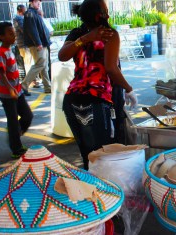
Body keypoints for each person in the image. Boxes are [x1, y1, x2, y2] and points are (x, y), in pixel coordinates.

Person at [58, 0, 138, 170]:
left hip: (72, 100)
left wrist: (85, 39)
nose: (108, 14)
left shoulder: (78, 34)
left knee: (88, 156)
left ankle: (90, 191)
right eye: (106, 11)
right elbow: (111, 68)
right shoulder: (108, 34)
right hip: (95, 102)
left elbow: (63, 56)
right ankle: (102, 193)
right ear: (99, 15)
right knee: (101, 156)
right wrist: (129, 89)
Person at [0, 22, 33, 158]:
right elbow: (0, 73)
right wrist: (10, 89)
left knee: (28, 116)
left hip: (18, 91)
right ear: (1, 37)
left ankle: (15, 132)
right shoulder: (1, 54)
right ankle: (16, 149)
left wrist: (17, 87)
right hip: (7, 94)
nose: (14, 35)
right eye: (10, 33)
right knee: (12, 120)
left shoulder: (10, 49)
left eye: (13, 32)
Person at [22, 0, 51, 95]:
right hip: (38, 44)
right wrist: (38, 43)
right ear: (32, 2)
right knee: (40, 64)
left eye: (39, 2)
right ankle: (23, 85)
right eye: (37, 2)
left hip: (43, 43)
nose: (39, 4)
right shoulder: (30, 14)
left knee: (44, 66)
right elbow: (32, 30)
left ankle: (48, 87)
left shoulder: (34, 13)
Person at [38, 9, 53, 80]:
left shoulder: (45, 21)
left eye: (41, 14)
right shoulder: (35, 21)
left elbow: (51, 31)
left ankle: (48, 77)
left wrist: (46, 35)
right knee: (41, 62)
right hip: (39, 45)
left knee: (47, 62)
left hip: (45, 43)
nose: (40, 16)